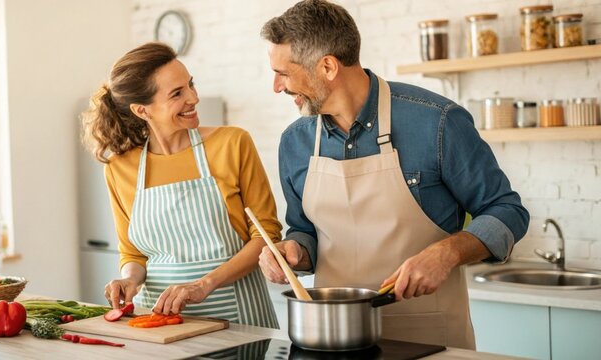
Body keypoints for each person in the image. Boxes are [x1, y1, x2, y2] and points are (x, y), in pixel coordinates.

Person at [257, 0, 529, 349]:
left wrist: (447, 252)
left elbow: (507, 211)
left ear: (327, 66)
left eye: (284, 73)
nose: (277, 87)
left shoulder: (437, 122)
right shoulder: (295, 143)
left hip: (430, 338)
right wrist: (293, 251)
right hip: (336, 340)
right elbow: (305, 231)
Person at [83, 42, 280, 328]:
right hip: (158, 323)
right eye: (177, 93)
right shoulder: (119, 168)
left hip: (238, 320)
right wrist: (129, 279)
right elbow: (134, 254)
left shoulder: (232, 143)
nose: (193, 98)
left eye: (191, 85)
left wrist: (204, 285)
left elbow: (266, 234)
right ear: (142, 110)